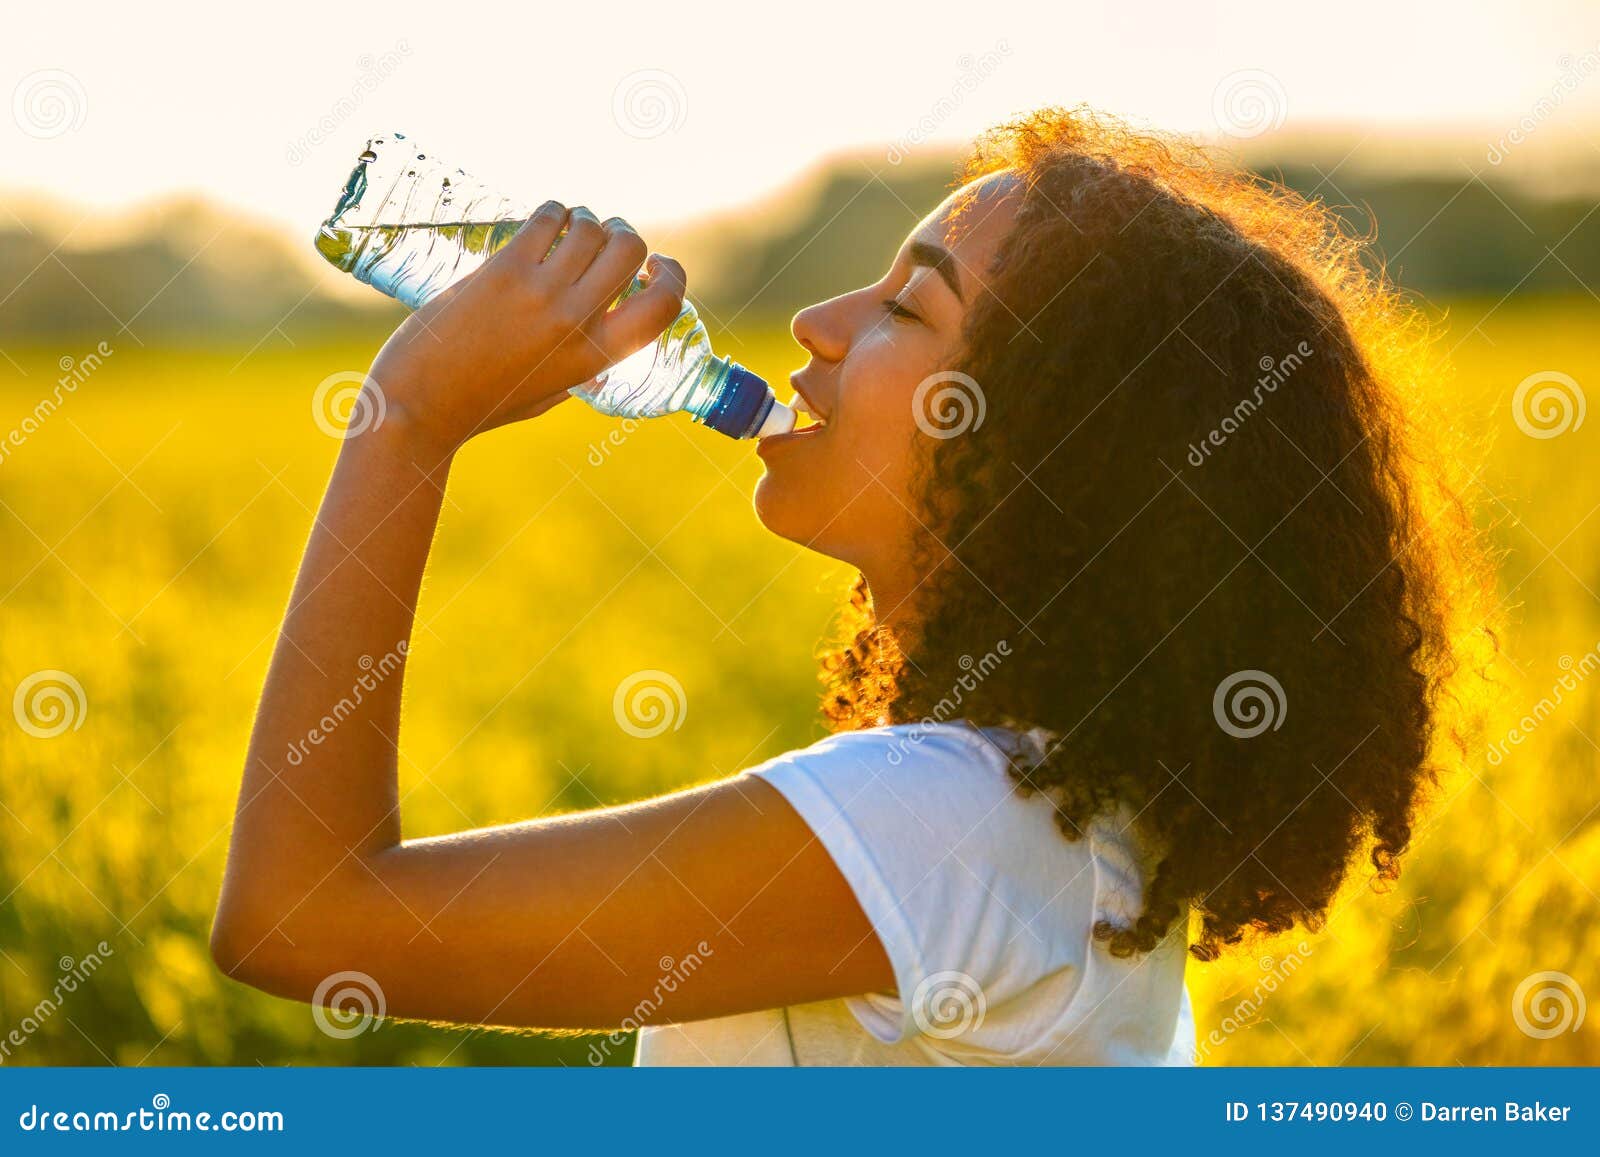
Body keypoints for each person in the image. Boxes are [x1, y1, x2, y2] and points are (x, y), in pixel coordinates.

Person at [211, 107, 1494, 1065]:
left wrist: (407, 422)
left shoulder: (948, 821)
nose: (820, 319)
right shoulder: (1047, 823)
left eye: (905, 311)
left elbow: (304, 918)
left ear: (1046, 447)